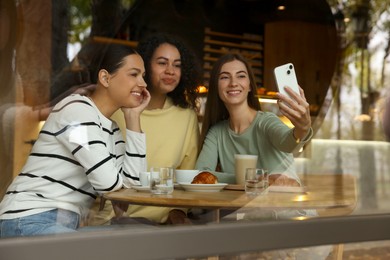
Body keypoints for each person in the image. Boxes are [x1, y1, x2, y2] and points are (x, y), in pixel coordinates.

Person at [0, 44, 151, 237]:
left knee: (142, 237)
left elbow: (133, 186)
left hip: (63, 225)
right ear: (105, 78)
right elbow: (108, 184)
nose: (143, 84)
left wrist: (133, 117)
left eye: (143, 76)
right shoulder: (76, 111)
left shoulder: (111, 129)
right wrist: (118, 183)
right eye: (134, 74)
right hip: (27, 218)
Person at [95, 33, 202, 225]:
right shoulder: (117, 109)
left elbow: (187, 177)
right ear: (144, 67)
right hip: (109, 222)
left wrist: (178, 213)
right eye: (162, 63)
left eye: (177, 65)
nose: (170, 70)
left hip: (158, 227)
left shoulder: (186, 117)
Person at [195, 53, 313, 185]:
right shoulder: (217, 133)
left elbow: (288, 143)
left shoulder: (266, 122)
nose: (233, 83)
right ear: (216, 88)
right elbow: (201, 174)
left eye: (240, 76)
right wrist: (251, 180)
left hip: (285, 203)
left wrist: (303, 128)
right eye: (224, 77)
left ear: (250, 85)